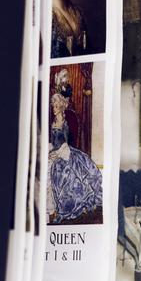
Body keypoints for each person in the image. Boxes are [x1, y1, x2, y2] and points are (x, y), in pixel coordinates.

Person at [47, 69, 102, 225]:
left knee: (62, 173)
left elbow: (66, 142)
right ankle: (51, 210)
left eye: (57, 105)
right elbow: (52, 140)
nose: (54, 107)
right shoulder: (51, 121)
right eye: (53, 105)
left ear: (63, 105)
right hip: (54, 151)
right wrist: (50, 151)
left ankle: (64, 210)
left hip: (65, 153)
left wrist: (57, 154)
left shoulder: (67, 120)